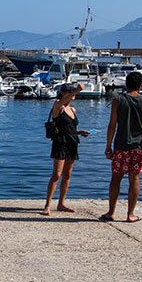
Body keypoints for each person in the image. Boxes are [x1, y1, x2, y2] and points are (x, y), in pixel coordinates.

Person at [101, 71, 142, 223]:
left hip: (121, 145)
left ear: (126, 84)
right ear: (141, 85)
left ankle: (111, 212)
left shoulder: (118, 100)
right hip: (138, 147)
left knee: (116, 179)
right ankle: (130, 214)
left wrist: (108, 146)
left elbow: (112, 125)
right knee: (135, 179)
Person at [41, 83, 90, 216]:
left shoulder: (72, 109)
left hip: (72, 142)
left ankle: (61, 203)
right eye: (69, 92)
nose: (72, 94)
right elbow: (62, 103)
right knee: (56, 175)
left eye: (72, 92)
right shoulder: (58, 105)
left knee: (67, 174)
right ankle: (47, 205)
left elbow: (70, 128)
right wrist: (78, 90)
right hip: (60, 142)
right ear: (63, 93)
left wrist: (80, 132)